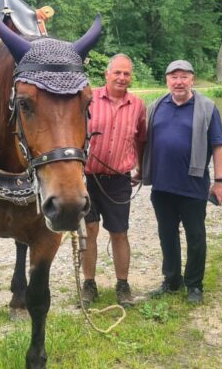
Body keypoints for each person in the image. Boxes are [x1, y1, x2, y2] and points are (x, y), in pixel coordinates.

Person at [144, 60, 222, 305]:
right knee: (166, 235)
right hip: (162, 187)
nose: (178, 82)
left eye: (184, 77)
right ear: (167, 80)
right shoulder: (155, 107)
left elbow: (218, 145)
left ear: (192, 80)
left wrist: (219, 181)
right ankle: (171, 281)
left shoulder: (207, 108)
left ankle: (194, 285)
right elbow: (143, 143)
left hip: (193, 186)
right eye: (174, 77)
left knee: (196, 236)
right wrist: (140, 170)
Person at [79, 54, 147, 309]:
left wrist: (140, 168)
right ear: (106, 74)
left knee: (119, 232)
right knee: (89, 230)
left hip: (119, 178)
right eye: (117, 72)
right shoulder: (88, 98)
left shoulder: (138, 105)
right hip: (86, 176)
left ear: (131, 77)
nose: (121, 78)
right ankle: (89, 284)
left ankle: (122, 284)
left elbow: (141, 139)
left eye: (126, 74)